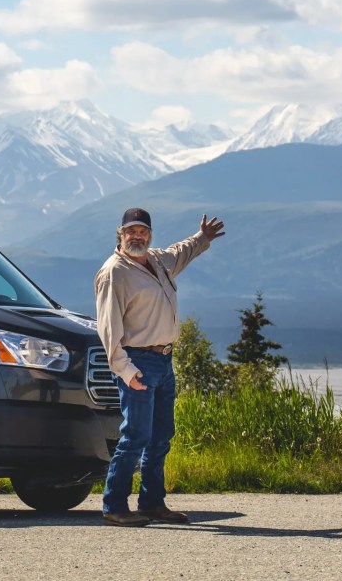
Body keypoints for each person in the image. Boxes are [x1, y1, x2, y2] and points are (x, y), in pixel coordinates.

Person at [95, 207, 225, 526]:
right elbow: (108, 329)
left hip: (164, 361)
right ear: (120, 234)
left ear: (149, 235)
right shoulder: (114, 273)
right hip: (137, 363)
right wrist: (125, 370)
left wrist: (203, 237)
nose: (136, 236)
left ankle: (152, 502)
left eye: (142, 231)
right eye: (130, 231)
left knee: (161, 435)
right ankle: (114, 505)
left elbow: (182, 251)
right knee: (135, 435)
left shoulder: (157, 260)